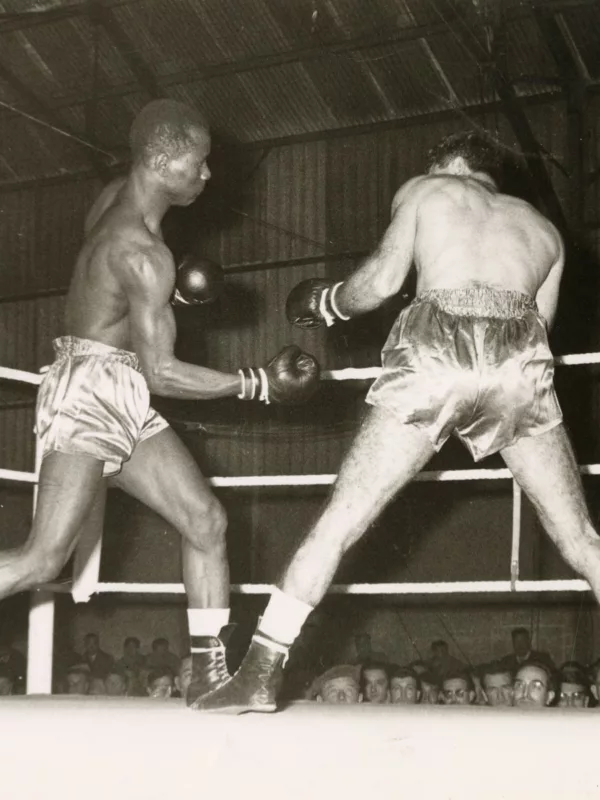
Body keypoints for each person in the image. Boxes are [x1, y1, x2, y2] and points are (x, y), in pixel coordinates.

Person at [192, 130, 600, 712]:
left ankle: (260, 671)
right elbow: (541, 332)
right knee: (581, 539)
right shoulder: (545, 232)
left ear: (448, 164)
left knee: (342, 518)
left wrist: (328, 301)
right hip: (518, 361)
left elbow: (381, 283)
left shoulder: (428, 189)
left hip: (438, 348)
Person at [0, 99, 319, 708]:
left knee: (206, 520)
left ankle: (206, 672)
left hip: (115, 385)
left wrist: (159, 304)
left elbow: (116, 305)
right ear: (163, 159)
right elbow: (163, 371)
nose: (206, 176)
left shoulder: (120, 204)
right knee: (43, 559)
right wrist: (256, 383)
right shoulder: (144, 254)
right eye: (198, 164)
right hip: (90, 395)